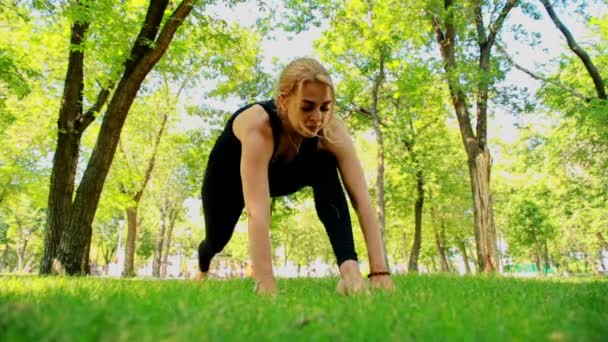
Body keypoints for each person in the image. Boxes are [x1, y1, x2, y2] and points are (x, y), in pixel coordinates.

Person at [197, 57, 394, 295]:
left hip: (287, 174)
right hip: (229, 181)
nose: (317, 117)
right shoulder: (259, 125)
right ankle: (203, 264)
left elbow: (362, 199)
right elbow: (257, 211)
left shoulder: (330, 130)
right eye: (307, 106)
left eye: (325, 107)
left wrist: (380, 272)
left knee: (325, 164)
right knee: (217, 238)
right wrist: (265, 283)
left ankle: (349, 270)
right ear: (283, 101)